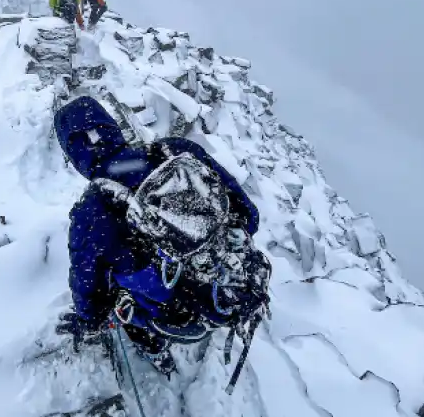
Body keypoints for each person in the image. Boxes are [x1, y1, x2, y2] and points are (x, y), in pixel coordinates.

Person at [54, 95, 271, 381]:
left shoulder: (92, 209)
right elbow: (248, 214)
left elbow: (88, 291)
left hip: (181, 318)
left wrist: (87, 321)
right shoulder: (173, 151)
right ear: (111, 127)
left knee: (125, 301)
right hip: (233, 282)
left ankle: (157, 351)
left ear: (74, 154)